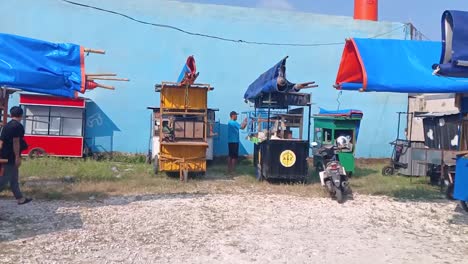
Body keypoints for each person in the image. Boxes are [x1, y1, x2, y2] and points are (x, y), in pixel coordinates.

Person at [0, 106, 32, 205]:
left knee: (13, 178)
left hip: (4, 155)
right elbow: (16, 142)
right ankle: (20, 198)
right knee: (4, 179)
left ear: (11, 114)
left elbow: (1, 142)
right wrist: (17, 157)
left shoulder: (6, 126)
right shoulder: (18, 126)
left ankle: (20, 198)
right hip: (11, 157)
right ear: (21, 115)